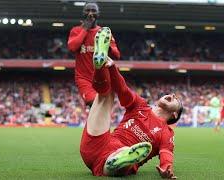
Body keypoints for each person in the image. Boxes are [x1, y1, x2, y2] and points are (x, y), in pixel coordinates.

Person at [80, 28, 183, 178]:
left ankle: (119, 159)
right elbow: (123, 90)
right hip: (99, 142)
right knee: (107, 94)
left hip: (113, 158)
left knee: (119, 160)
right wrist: (112, 68)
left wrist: (166, 167)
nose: (172, 95)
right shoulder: (141, 105)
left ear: (175, 114)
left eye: (177, 99)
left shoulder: (166, 132)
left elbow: (166, 153)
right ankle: (100, 65)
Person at [67, 2, 120, 105]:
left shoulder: (104, 33)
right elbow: (72, 47)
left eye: (93, 11)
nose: (90, 13)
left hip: (101, 77)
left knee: (98, 108)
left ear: (98, 14)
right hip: (84, 79)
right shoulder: (76, 31)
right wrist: (85, 29)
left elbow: (117, 55)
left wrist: (107, 47)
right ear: (83, 13)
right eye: (87, 10)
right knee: (93, 103)